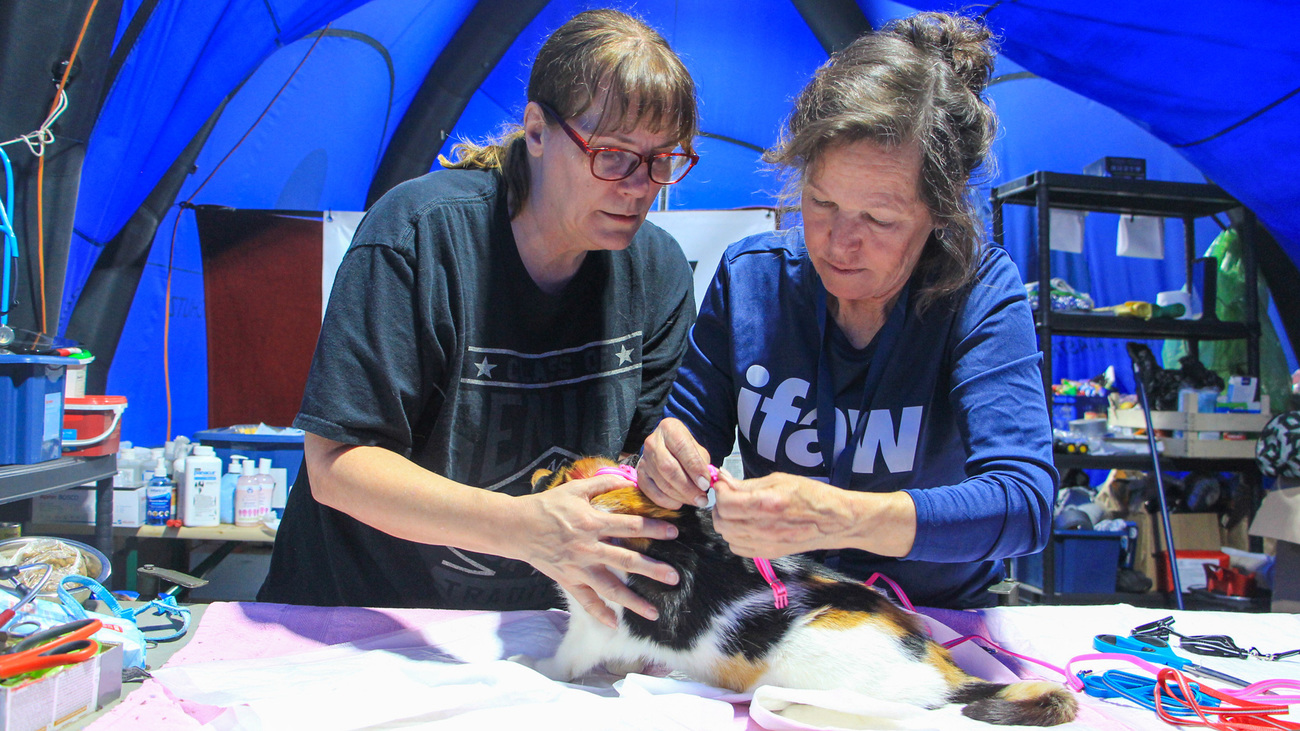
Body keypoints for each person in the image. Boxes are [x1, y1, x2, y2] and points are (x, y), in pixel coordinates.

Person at [258, 9, 700, 627]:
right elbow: (336, 465)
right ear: (537, 130)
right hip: (357, 622)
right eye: (614, 156)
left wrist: (668, 463)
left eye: (663, 161)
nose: (640, 186)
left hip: (529, 631)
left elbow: (633, 461)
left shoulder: (658, 270)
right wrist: (524, 526)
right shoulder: (419, 236)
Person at [637, 11, 1057, 609]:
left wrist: (842, 517)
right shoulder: (751, 279)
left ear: (942, 210)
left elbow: (1024, 504)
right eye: (821, 202)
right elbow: (682, 439)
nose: (838, 242)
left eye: (880, 219)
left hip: (936, 624)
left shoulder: (979, 293)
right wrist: (665, 461)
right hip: (774, 619)